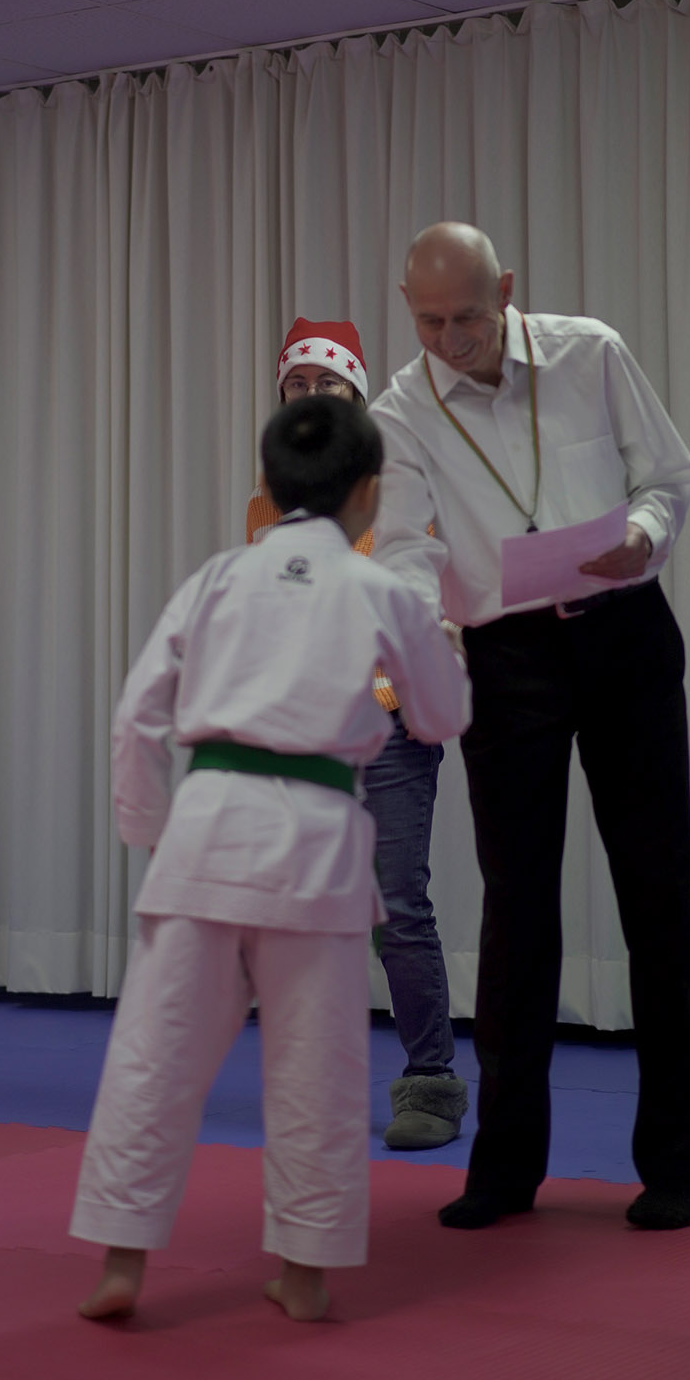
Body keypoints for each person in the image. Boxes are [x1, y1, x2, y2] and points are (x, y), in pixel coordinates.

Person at [70, 394, 470, 1324]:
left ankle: (121, 1261)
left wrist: (151, 832)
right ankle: (303, 1272)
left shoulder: (217, 577)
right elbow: (440, 717)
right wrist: (446, 655)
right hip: (317, 846)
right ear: (371, 492)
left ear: (265, 482)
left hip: (206, 832)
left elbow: (137, 714)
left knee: (154, 1057)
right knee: (315, 1069)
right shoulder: (379, 589)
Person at [369, 223, 690, 1234]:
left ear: (507, 290)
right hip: (505, 657)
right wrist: (421, 629)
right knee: (516, 910)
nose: (451, 340)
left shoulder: (588, 352)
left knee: (658, 892)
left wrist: (642, 534)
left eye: (468, 318)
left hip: (624, 631)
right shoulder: (400, 409)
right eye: (430, 321)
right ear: (407, 307)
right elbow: (401, 547)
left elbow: (668, 479)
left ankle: (673, 1164)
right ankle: (506, 1168)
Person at [245, 318, 469, 1151]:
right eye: (296, 385)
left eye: (327, 384)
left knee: (396, 908)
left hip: (389, 724)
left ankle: (432, 1083)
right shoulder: (267, 500)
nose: (311, 396)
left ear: (357, 394)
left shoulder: (399, 477)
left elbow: (430, 589)